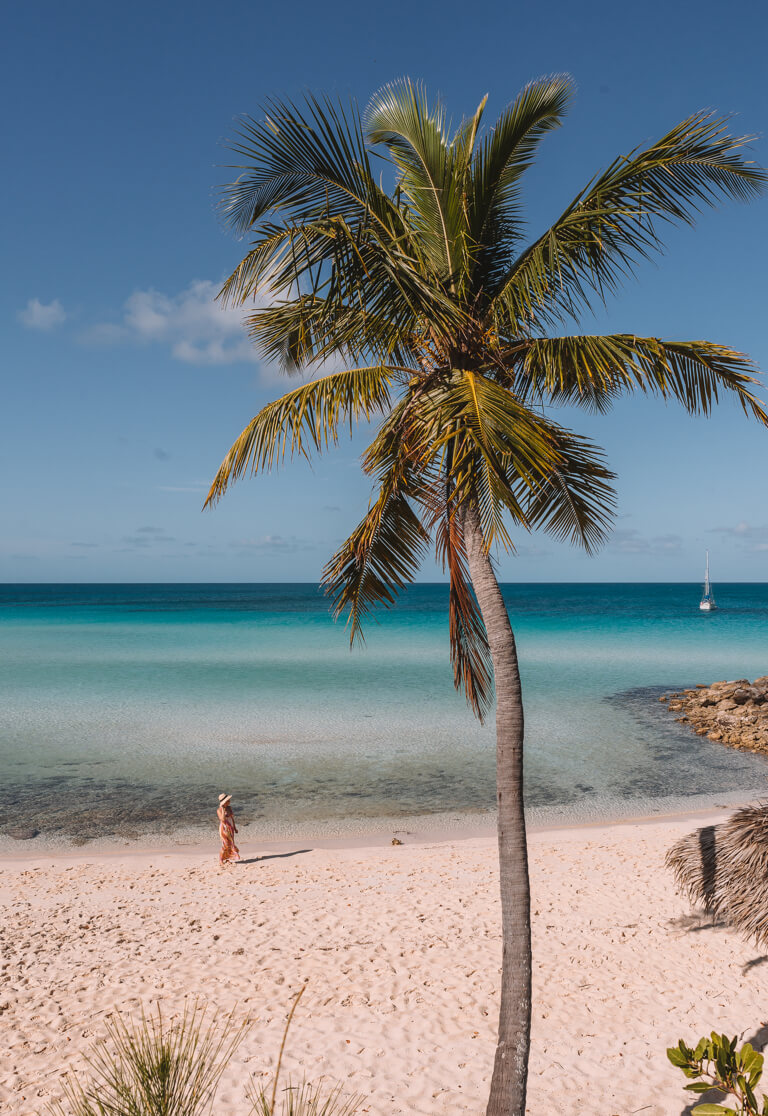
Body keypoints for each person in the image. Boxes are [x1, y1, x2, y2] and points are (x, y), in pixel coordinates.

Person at [217, 792, 241, 865]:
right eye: (228, 801)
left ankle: (227, 858)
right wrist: (223, 810)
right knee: (225, 844)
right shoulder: (219, 810)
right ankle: (220, 860)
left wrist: (235, 828)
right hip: (224, 829)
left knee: (231, 843)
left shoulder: (229, 808)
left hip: (230, 827)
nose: (229, 802)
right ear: (224, 802)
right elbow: (223, 819)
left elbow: (232, 818)